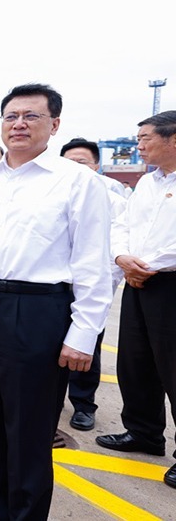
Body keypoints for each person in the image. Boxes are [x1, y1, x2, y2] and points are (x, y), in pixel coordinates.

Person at [0, 83, 113, 521]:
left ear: (54, 125)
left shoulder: (78, 182)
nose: (19, 124)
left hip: (38, 310)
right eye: (11, 116)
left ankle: (24, 514)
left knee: (30, 428)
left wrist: (84, 334)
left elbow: (92, 263)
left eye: (31, 116)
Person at [96, 110, 176, 490]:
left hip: (170, 283)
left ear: (174, 139)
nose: (138, 145)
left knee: (174, 369)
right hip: (138, 281)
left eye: (145, 138)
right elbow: (122, 225)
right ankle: (144, 432)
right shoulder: (145, 183)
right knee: (135, 362)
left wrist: (147, 265)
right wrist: (122, 257)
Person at [55, 137, 127, 432]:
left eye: (82, 162)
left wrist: (100, 290)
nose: (76, 168)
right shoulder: (52, 194)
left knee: (87, 349)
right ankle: (52, 400)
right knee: (49, 349)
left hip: (89, 289)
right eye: (69, 162)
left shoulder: (113, 199)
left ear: (96, 165)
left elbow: (115, 247)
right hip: (53, 290)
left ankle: (84, 405)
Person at [62, 137, 127, 198]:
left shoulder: (111, 186)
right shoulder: (55, 185)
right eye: (69, 162)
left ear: (96, 167)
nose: (75, 166)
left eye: (81, 162)